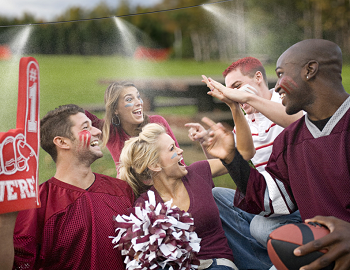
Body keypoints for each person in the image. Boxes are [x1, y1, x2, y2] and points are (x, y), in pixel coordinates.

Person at [207, 39, 350, 269]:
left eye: (282, 73)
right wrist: (232, 159)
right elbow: (270, 201)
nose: (278, 85)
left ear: (310, 71)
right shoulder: (290, 139)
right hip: (314, 255)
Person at [13, 104, 134, 269]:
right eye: (86, 127)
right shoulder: (38, 204)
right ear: (62, 142)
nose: (98, 131)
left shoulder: (121, 190)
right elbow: (22, 264)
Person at [118, 122, 238, 270]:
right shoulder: (146, 207)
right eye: (172, 149)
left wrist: (220, 142)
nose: (180, 150)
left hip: (218, 263)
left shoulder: (198, 172)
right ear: (155, 165)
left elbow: (242, 159)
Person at [85, 81, 181, 171]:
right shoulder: (110, 130)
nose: (139, 102)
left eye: (138, 97)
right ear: (115, 109)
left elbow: (179, 162)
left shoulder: (156, 122)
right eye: (129, 99)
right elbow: (76, 114)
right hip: (127, 188)